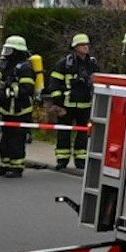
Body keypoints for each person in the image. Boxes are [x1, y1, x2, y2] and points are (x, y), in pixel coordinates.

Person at [45, 33, 96, 171]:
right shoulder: (64, 64)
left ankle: (81, 161)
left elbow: (98, 82)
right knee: (63, 133)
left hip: (85, 105)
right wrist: (58, 104)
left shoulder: (92, 64)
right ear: (75, 47)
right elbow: (54, 84)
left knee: (83, 134)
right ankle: (62, 160)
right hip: (67, 105)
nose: (86, 47)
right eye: (82, 45)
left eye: (87, 44)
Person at [0, 36, 37, 178]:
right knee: (3, 140)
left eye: (10, 49)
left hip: (20, 110)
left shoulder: (26, 67)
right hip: (6, 109)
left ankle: (17, 167)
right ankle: (5, 165)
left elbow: (27, 89)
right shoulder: (4, 64)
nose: (6, 52)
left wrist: (5, 92)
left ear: (17, 51)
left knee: (16, 141)